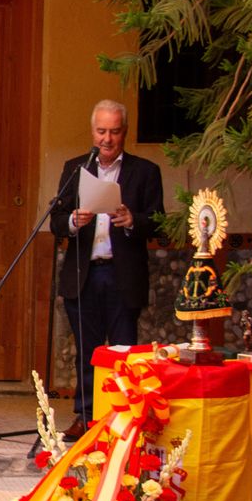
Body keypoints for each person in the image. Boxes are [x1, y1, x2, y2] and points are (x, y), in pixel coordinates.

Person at [49, 100, 164, 439]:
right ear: (92, 132)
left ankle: (124, 419)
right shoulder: (76, 168)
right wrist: (73, 220)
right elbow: (56, 220)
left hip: (122, 274)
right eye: (101, 131)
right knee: (87, 351)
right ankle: (86, 417)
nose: (107, 139)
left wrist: (133, 220)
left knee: (124, 352)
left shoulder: (145, 171)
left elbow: (158, 221)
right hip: (84, 274)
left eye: (114, 131)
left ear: (124, 132)